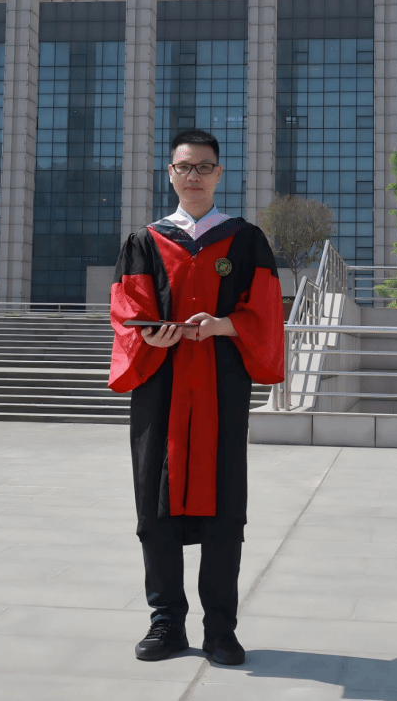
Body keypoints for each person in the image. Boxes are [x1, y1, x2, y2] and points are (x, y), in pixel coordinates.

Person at [108, 129, 284, 666]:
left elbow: (266, 312)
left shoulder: (246, 240)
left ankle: (221, 631)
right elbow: (127, 310)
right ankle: (165, 623)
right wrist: (150, 336)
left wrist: (225, 325)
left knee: (225, 509)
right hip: (160, 390)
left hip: (220, 390)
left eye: (204, 167)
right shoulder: (145, 241)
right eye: (184, 167)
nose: (194, 176)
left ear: (219, 174)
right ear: (170, 173)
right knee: (153, 507)